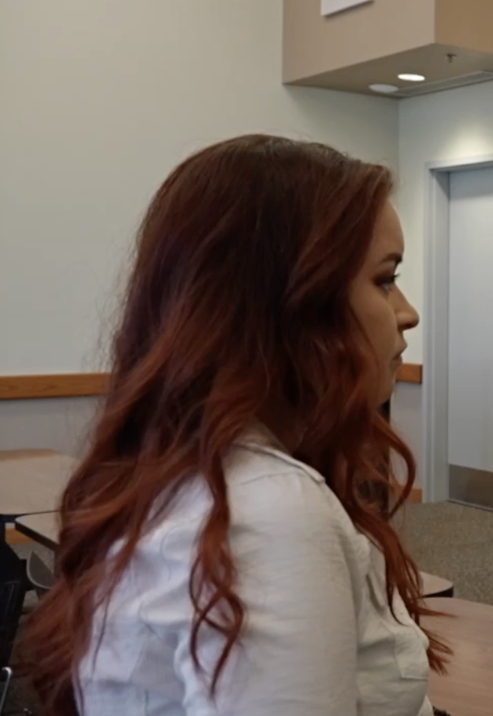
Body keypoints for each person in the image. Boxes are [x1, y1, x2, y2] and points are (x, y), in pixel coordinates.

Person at [23, 135, 449, 715]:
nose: (407, 312)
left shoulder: (199, 473)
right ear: (288, 304)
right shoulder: (270, 511)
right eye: (383, 279)